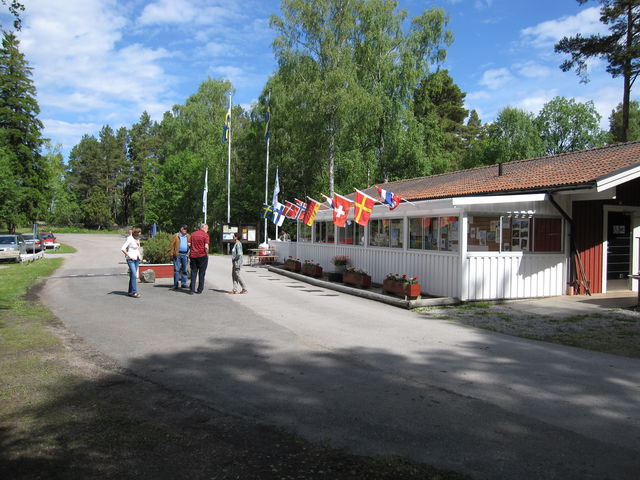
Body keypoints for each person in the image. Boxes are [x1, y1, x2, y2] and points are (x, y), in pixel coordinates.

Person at [121, 227, 142, 298]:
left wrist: (140, 256)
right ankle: (134, 292)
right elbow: (123, 248)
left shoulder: (137, 239)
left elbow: (137, 248)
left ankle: (130, 291)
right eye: (139, 232)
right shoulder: (130, 239)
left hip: (137, 258)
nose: (140, 234)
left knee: (133, 275)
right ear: (136, 233)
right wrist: (129, 256)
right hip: (131, 259)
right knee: (134, 275)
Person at [189, 223, 209, 295]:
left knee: (193, 272)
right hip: (202, 256)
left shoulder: (193, 234)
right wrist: (207, 254)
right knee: (202, 273)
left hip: (193, 256)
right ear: (203, 228)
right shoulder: (205, 235)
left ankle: (192, 290)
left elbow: (189, 244)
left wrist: (192, 249)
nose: (207, 230)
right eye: (207, 228)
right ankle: (200, 289)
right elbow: (206, 246)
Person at [168, 224, 190, 290]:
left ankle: (183, 283)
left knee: (185, 270)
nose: (185, 230)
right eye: (184, 229)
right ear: (181, 229)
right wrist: (171, 254)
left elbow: (191, 244)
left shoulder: (188, 236)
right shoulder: (176, 235)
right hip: (177, 254)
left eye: (186, 229)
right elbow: (171, 245)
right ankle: (176, 284)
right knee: (176, 270)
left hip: (185, 254)